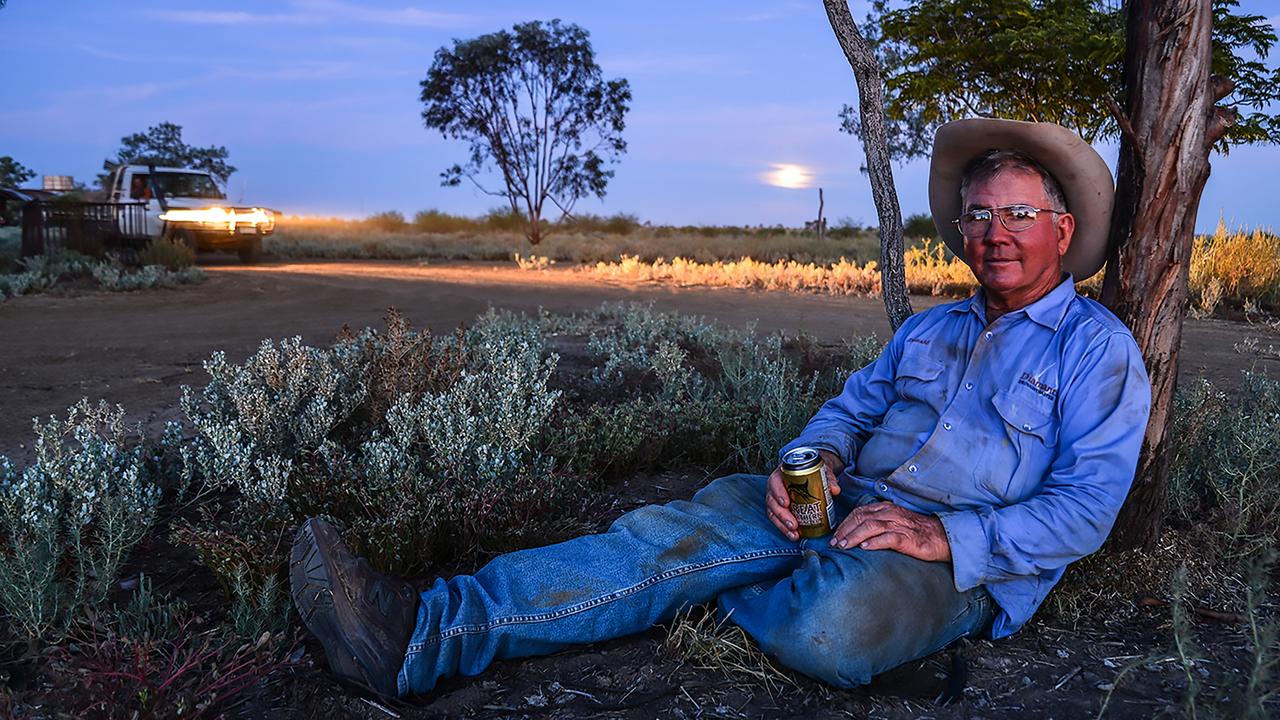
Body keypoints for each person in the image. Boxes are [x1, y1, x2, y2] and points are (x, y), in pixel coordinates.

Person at [289, 118, 1152, 698]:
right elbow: (847, 413)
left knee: (832, 625)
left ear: (1063, 229)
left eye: (1018, 214)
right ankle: (418, 635)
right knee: (659, 538)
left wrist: (941, 537)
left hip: (962, 561)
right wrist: (807, 465)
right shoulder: (930, 331)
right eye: (977, 216)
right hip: (837, 511)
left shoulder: (1097, 349)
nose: (993, 233)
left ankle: (719, 593)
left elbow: (1086, 509)